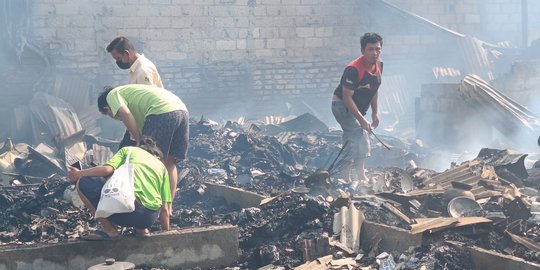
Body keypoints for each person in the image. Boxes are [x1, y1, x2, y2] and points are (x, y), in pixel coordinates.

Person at [97, 84, 189, 230]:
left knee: (147, 159)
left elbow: (125, 114)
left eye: (110, 114)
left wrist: (140, 140)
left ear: (106, 109)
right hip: (181, 111)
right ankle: (168, 209)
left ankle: (149, 208)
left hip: (160, 113)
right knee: (170, 161)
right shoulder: (132, 94)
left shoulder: (112, 95)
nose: (115, 117)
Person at [67, 137, 171, 239]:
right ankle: (142, 230)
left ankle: (110, 230)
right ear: (156, 155)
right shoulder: (162, 168)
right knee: (141, 198)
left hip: (128, 214)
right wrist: (166, 236)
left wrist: (79, 173)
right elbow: (165, 210)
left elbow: (107, 170)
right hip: (148, 219)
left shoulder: (129, 150)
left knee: (83, 182)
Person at [331, 32, 383, 183]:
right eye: (370, 49)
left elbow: (374, 89)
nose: (375, 53)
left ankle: (344, 177)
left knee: (349, 140)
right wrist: (361, 120)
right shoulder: (353, 69)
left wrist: (375, 113)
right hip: (341, 106)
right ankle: (360, 175)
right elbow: (347, 97)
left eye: (378, 49)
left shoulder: (379, 65)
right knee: (360, 135)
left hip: (355, 109)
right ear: (362, 50)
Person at [106, 36, 164, 149]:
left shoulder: (143, 71)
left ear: (126, 54)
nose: (118, 62)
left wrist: (139, 137)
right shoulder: (137, 68)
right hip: (140, 123)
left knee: (127, 154)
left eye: (118, 59)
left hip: (147, 124)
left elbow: (146, 104)